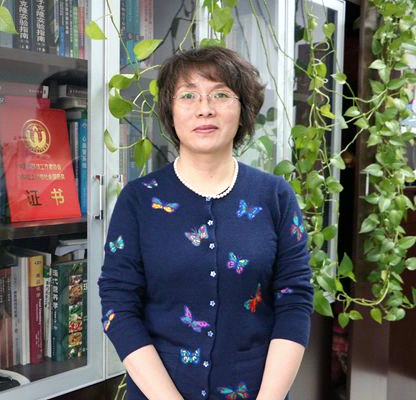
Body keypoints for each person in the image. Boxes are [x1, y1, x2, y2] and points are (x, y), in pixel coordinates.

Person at [98, 46, 313, 400]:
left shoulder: (274, 195)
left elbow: (295, 299)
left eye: (221, 95)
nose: (205, 108)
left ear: (243, 109)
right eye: (188, 95)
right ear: (170, 111)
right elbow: (118, 305)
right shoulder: (138, 200)